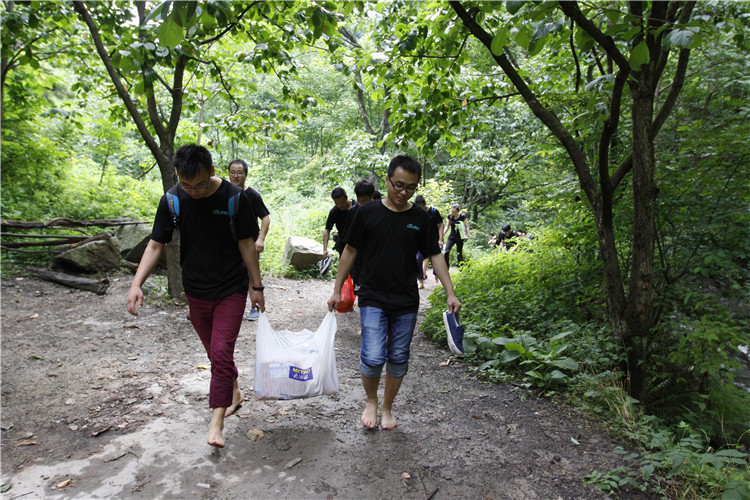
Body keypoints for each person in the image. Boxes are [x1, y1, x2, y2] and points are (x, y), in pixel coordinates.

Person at [126, 144, 265, 448]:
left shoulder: (234, 198)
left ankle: (216, 423)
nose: (194, 191)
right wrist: (136, 283)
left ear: (212, 172)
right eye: (186, 184)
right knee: (217, 353)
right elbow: (154, 244)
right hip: (196, 291)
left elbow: (246, 244)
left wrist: (257, 287)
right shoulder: (173, 200)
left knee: (220, 352)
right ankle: (235, 391)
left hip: (231, 287)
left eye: (200, 184)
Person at [327, 155, 461, 430]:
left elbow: (435, 256)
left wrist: (450, 292)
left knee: (399, 356)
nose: (403, 192)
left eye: (410, 187)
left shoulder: (420, 218)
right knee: (374, 356)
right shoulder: (367, 213)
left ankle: (387, 407)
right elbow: (350, 250)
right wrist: (337, 289)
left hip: (406, 299)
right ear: (387, 180)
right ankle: (371, 401)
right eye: (398, 185)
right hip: (373, 295)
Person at [228, 159, 271, 321]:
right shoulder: (225, 193)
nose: (236, 176)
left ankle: (254, 308)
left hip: (250, 243)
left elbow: (265, 218)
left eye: (239, 172)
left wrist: (260, 239)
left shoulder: (252, 195)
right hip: (229, 243)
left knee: (251, 275)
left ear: (246, 174)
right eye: (233, 172)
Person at [345, 179, 375, 294]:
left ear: (372, 196)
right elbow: (349, 239)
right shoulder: (353, 212)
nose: (362, 204)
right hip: (358, 258)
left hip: (374, 257)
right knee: (359, 289)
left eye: (365, 201)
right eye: (359, 200)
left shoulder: (380, 211)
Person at [414, 195, 444, 288]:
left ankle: (436, 279)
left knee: (435, 260)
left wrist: (440, 239)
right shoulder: (416, 213)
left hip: (434, 240)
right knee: (419, 259)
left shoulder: (434, 211)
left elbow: (440, 226)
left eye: (421, 207)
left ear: (425, 204)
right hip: (421, 240)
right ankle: (420, 281)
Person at [323, 187, 357, 258]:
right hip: (343, 245)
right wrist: (325, 249)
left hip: (358, 243)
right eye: (336, 203)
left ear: (346, 197)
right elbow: (327, 230)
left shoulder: (357, 206)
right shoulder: (334, 212)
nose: (340, 206)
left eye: (342, 202)